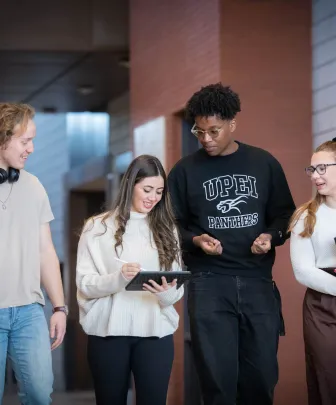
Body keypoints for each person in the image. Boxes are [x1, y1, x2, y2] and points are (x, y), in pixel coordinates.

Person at [168, 83, 296, 405]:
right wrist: (195, 240)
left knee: (261, 380)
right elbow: (170, 226)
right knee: (217, 384)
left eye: (214, 131)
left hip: (258, 283)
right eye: (200, 132)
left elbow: (284, 215)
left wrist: (271, 236)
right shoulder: (184, 171)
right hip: (209, 284)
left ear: (232, 124)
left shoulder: (263, 164)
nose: (206, 139)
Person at [76, 154, 184, 405]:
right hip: (108, 334)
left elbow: (175, 291)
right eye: (147, 189)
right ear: (130, 184)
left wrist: (165, 292)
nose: (153, 197)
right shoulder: (97, 227)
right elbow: (84, 284)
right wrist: (119, 279)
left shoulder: (167, 229)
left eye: (159, 191)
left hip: (156, 334)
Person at [0, 103, 67, 405]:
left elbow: (45, 250)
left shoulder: (35, 186)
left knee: (40, 395)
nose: (32, 149)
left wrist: (60, 307)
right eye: (25, 141)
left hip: (28, 311)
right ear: (3, 138)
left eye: (33, 140)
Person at [289, 138, 336, 405]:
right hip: (323, 307)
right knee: (327, 380)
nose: (315, 176)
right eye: (312, 170)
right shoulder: (305, 216)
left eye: (322, 168)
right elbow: (303, 271)